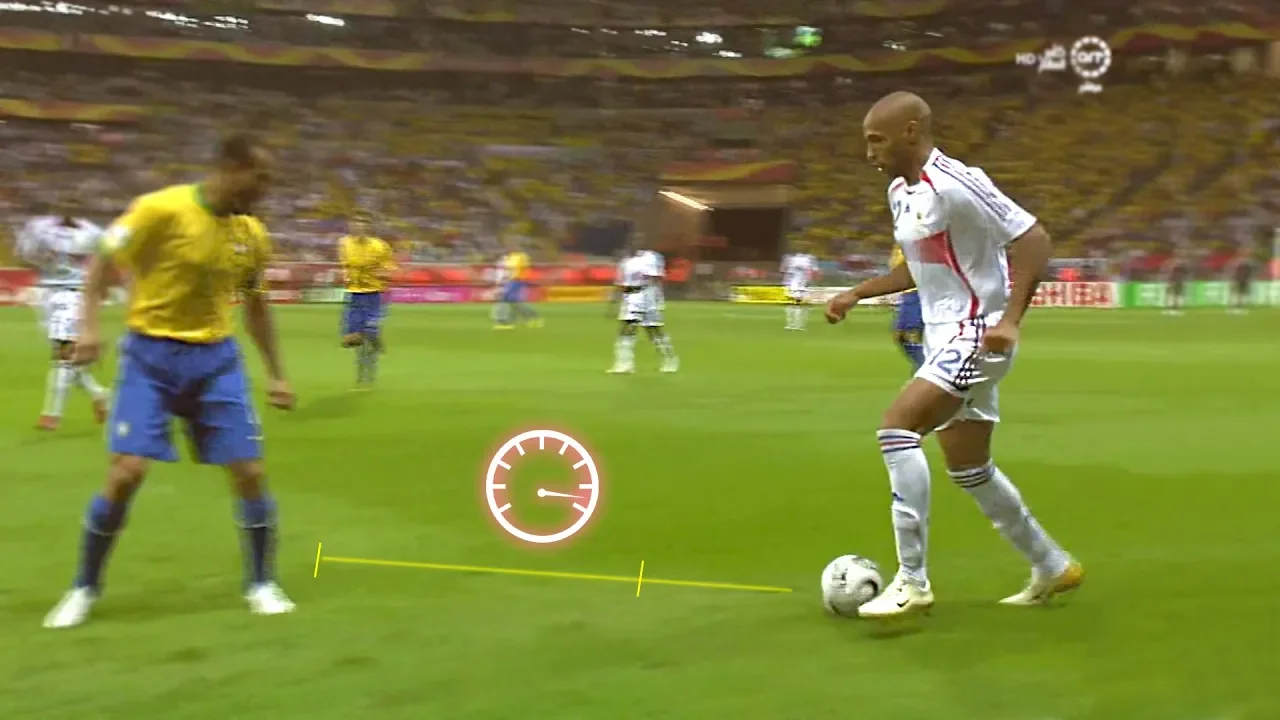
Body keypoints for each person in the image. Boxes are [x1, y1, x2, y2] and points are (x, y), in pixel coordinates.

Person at [825, 92, 1082, 619]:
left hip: (977, 332)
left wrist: (1010, 320)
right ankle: (1053, 565)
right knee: (969, 467)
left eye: (877, 140)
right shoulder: (900, 192)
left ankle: (912, 581)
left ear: (911, 131)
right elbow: (916, 268)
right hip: (942, 336)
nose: (869, 152)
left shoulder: (957, 182)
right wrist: (857, 293)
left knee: (897, 429)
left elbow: (1033, 239)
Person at [43, 133, 297, 629]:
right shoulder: (160, 209)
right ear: (230, 167)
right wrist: (89, 328)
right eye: (260, 178)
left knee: (249, 471)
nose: (266, 190)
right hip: (151, 356)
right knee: (125, 474)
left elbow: (257, 307)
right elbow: (101, 262)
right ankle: (84, 587)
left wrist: (277, 374)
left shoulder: (252, 234)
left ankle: (262, 583)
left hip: (216, 360)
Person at [15, 204, 111, 429]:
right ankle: (100, 394)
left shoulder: (93, 233)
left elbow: (107, 261)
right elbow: (24, 257)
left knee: (63, 356)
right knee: (67, 357)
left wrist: (99, 288)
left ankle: (51, 414)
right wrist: (39, 256)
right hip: (47, 295)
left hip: (73, 295)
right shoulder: (39, 228)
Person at [338, 212, 394, 389]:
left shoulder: (380, 246)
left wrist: (380, 273)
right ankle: (363, 372)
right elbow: (345, 265)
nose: (358, 227)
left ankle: (368, 376)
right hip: (354, 295)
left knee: (368, 333)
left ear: (368, 227)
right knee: (353, 340)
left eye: (362, 224)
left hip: (375, 294)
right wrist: (347, 275)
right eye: (355, 223)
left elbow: (389, 269)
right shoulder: (344, 243)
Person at [609, 248, 678, 374]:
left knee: (652, 329)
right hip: (630, 296)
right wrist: (614, 301)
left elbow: (656, 278)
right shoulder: (625, 261)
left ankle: (670, 359)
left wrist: (658, 299)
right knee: (627, 328)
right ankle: (625, 364)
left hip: (646, 295)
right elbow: (621, 282)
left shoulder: (650, 257)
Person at [889, 245, 925, 368]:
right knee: (907, 336)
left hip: (917, 290)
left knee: (908, 335)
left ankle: (929, 370)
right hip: (912, 290)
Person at [494, 245, 541, 329]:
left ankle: (506, 322)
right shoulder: (510, 257)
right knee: (513, 301)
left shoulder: (521, 257)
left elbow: (524, 269)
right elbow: (508, 270)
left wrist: (521, 278)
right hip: (511, 281)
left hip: (517, 281)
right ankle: (531, 317)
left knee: (507, 299)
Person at [781, 251, 817, 330]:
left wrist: (786, 284)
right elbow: (810, 274)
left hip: (796, 287)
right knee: (797, 305)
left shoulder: (794, 265)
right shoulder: (805, 264)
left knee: (795, 305)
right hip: (798, 287)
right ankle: (796, 324)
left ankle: (794, 324)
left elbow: (787, 274)